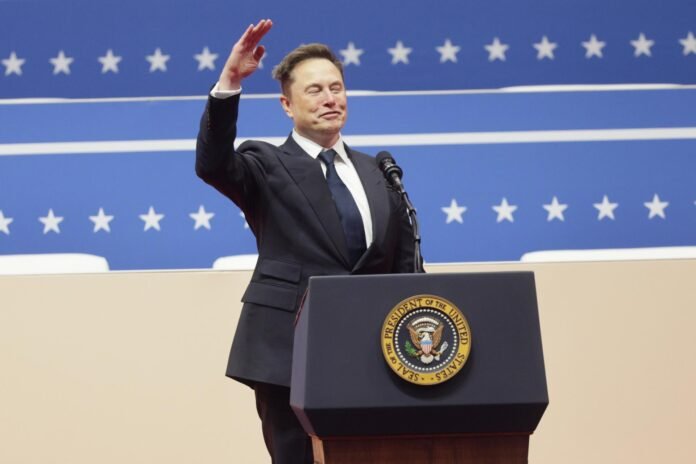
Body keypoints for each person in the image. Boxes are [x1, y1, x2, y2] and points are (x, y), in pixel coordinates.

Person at [195, 19, 417, 464]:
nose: (330, 98)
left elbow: (404, 268)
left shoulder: (379, 171)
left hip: (375, 355)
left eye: (336, 88)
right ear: (286, 105)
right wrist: (229, 83)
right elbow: (213, 164)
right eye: (315, 90)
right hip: (290, 356)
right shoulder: (265, 163)